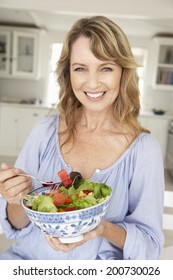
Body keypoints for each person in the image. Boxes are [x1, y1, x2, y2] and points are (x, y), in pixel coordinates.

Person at [0, 15, 164, 260]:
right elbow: (16, 224)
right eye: (80, 68)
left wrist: (102, 228)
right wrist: (15, 198)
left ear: (123, 72)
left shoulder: (143, 150)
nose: (93, 82)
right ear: (69, 74)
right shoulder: (46, 130)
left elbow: (150, 247)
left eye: (106, 68)